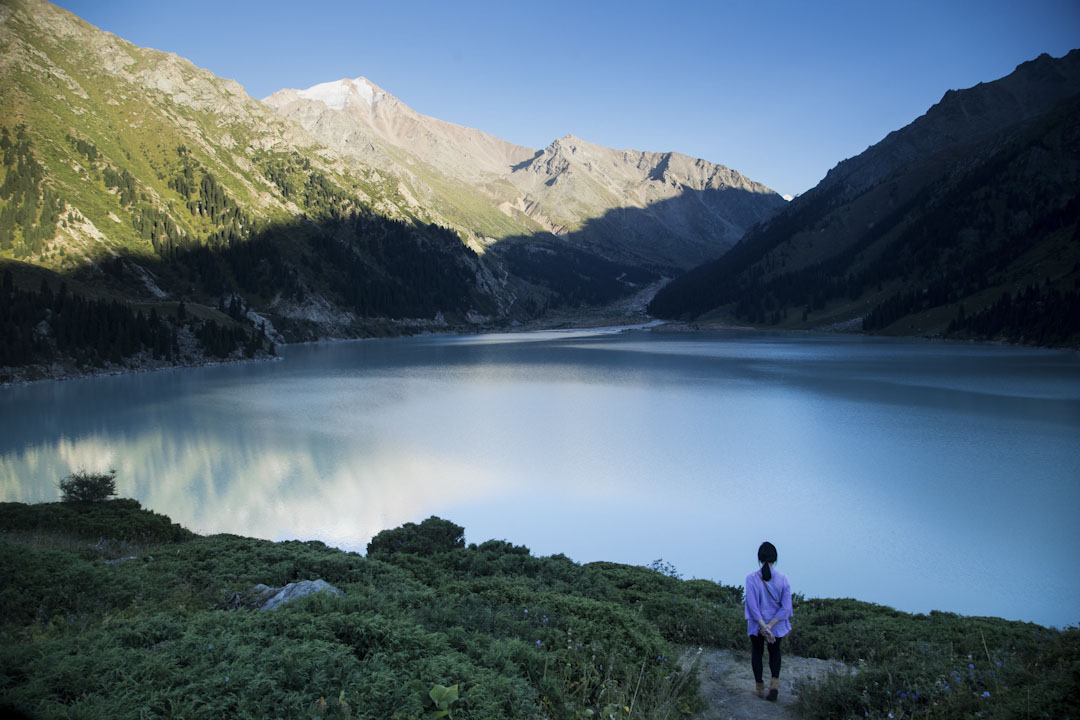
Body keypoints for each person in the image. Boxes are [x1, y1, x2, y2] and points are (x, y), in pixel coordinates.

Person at [744, 541, 792, 701]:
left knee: (757, 653)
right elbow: (786, 608)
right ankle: (774, 686)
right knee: (775, 652)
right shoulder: (784, 579)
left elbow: (752, 605)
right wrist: (771, 626)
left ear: (759, 559)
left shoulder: (751, 578)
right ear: (775, 559)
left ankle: (759, 687)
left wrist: (763, 626)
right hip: (777, 626)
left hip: (757, 625)